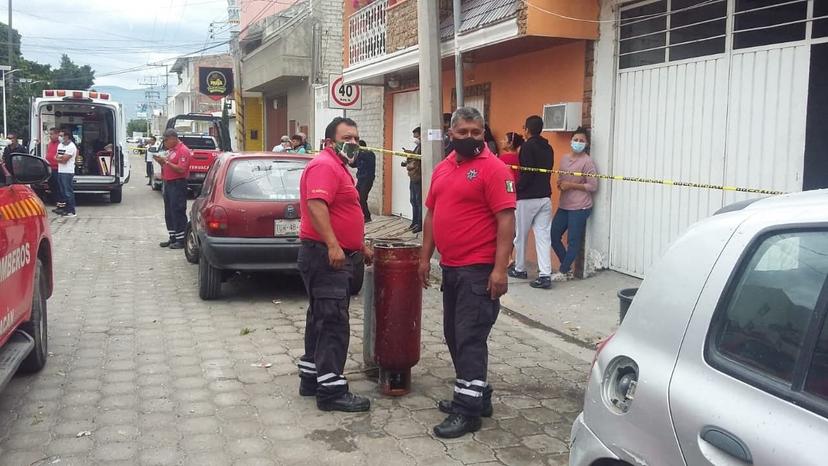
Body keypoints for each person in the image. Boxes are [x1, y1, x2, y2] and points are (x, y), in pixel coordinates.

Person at [419, 107, 516, 439]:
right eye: (463, 132)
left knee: (469, 338)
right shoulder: (443, 168)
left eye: (477, 132)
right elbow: (432, 215)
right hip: (451, 268)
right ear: (451, 133)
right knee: (453, 335)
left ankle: (468, 411)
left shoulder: (494, 169)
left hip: (479, 269)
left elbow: (506, 221)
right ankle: (476, 395)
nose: (471, 138)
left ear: (484, 131)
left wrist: (500, 269)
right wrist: (424, 259)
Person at [297, 116, 373, 413]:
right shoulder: (325, 166)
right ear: (329, 142)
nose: (352, 143)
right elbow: (317, 205)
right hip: (325, 256)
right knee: (332, 322)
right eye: (346, 138)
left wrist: (359, 245)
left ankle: (312, 377)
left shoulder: (338, 167)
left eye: (355, 138)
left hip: (332, 253)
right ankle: (331, 391)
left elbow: (344, 212)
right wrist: (333, 244)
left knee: (320, 316)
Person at [508, 115, 554, 289]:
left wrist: (516, 189)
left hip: (527, 198)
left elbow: (527, 174)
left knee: (521, 235)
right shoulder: (548, 147)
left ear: (527, 129)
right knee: (543, 237)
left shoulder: (527, 147)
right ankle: (545, 275)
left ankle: (520, 269)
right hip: (545, 197)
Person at [550, 127, 598, 281]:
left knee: (573, 241)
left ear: (587, 143)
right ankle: (567, 268)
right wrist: (560, 184)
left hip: (580, 206)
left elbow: (593, 186)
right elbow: (561, 178)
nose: (578, 143)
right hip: (564, 205)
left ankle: (564, 271)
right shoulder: (564, 158)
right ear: (571, 141)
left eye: (581, 140)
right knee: (554, 235)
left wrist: (571, 185)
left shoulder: (587, 162)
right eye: (576, 140)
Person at [155, 129, 191, 249]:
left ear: (173, 138)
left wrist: (167, 162)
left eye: (166, 140)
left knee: (178, 210)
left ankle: (181, 240)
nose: (165, 143)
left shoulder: (183, 150)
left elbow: (181, 169)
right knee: (169, 212)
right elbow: (166, 164)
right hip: (168, 183)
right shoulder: (170, 151)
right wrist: (161, 161)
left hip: (178, 184)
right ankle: (173, 237)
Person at [349, 140, 375, 223]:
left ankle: (367, 216)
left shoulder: (369, 154)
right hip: (360, 179)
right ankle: (359, 215)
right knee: (356, 197)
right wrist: (349, 160)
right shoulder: (359, 155)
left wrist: (354, 151)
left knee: (363, 198)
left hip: (367, 179)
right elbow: (354, 165)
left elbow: (364, 156)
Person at [402, 127, 422, 233]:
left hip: (418, 176)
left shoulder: (423, 146)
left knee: (418, 201)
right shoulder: (417, 147)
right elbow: (413, 158)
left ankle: (419, 223)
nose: (415, 139)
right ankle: (414, 222)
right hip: (413, 177)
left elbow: (418, 160)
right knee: (413, 200)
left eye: (417, 136)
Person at [55, 130, 78, 217]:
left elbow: (64, 160)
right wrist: (59, 159)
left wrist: (59, 159)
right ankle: (65, 209)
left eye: (61, 135)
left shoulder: (71, 147)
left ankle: (71, 211)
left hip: (68, 172)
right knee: (63, 191)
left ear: (67, 136)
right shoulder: (60, 145)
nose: (59, 137)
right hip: (60, 171)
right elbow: (56, 156)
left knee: (68, 192)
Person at [44, 128, 61, 204]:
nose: (50, 136)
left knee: (58, 187)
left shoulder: (60, 144)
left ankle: (60, 202)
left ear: (57, 134)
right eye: (49, 134)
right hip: (50, 168)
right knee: (51, 185)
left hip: (57, 168)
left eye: (51, 134)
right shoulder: (49, 144)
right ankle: (55, 201)